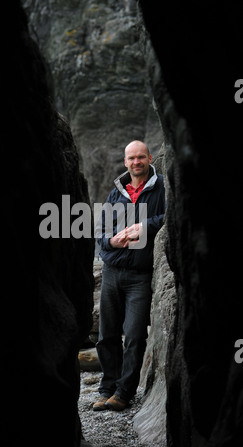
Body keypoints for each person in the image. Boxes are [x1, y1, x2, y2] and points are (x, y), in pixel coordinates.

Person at [93, 140, 165, 411]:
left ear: (148, 158)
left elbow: (171, 216)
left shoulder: (161, 188)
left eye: (140, 157)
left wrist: (144, 226)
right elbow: (101, 229)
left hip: (140, 275)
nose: (136, 162)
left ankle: (124, 393)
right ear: (126, 162)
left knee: (134, 335)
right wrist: (112, 242)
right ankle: (106, 388)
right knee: (106, 335)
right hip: (112, 271)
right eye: (131, 158)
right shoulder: (117, 192)